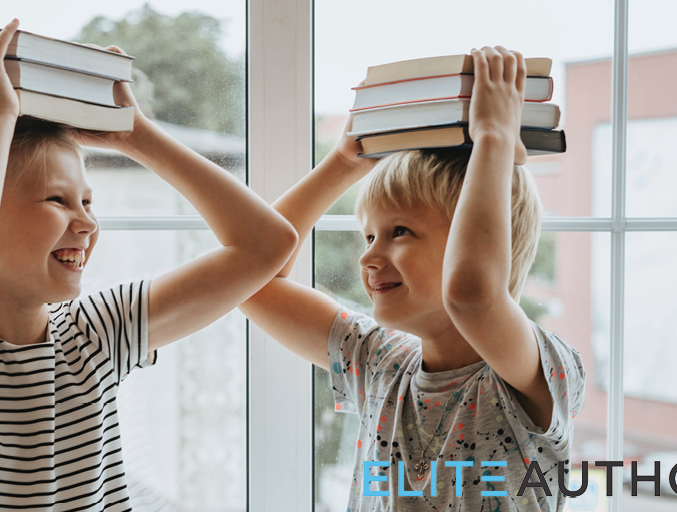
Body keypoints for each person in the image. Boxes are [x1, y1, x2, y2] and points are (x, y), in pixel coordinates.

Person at [0, 13, 296, 511]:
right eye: (58, 200)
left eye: (88, 203)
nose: (87, 224)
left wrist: (134, 135)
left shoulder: (95, 333)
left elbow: (267, 246)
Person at [240, 46, 585, 511]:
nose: (369, 257)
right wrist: (342, 164)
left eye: (400, 232)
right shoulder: (378, 359)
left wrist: (496, 139)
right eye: (368, 237)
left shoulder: (534, 371)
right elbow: (247, 279)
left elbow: (472, 294)